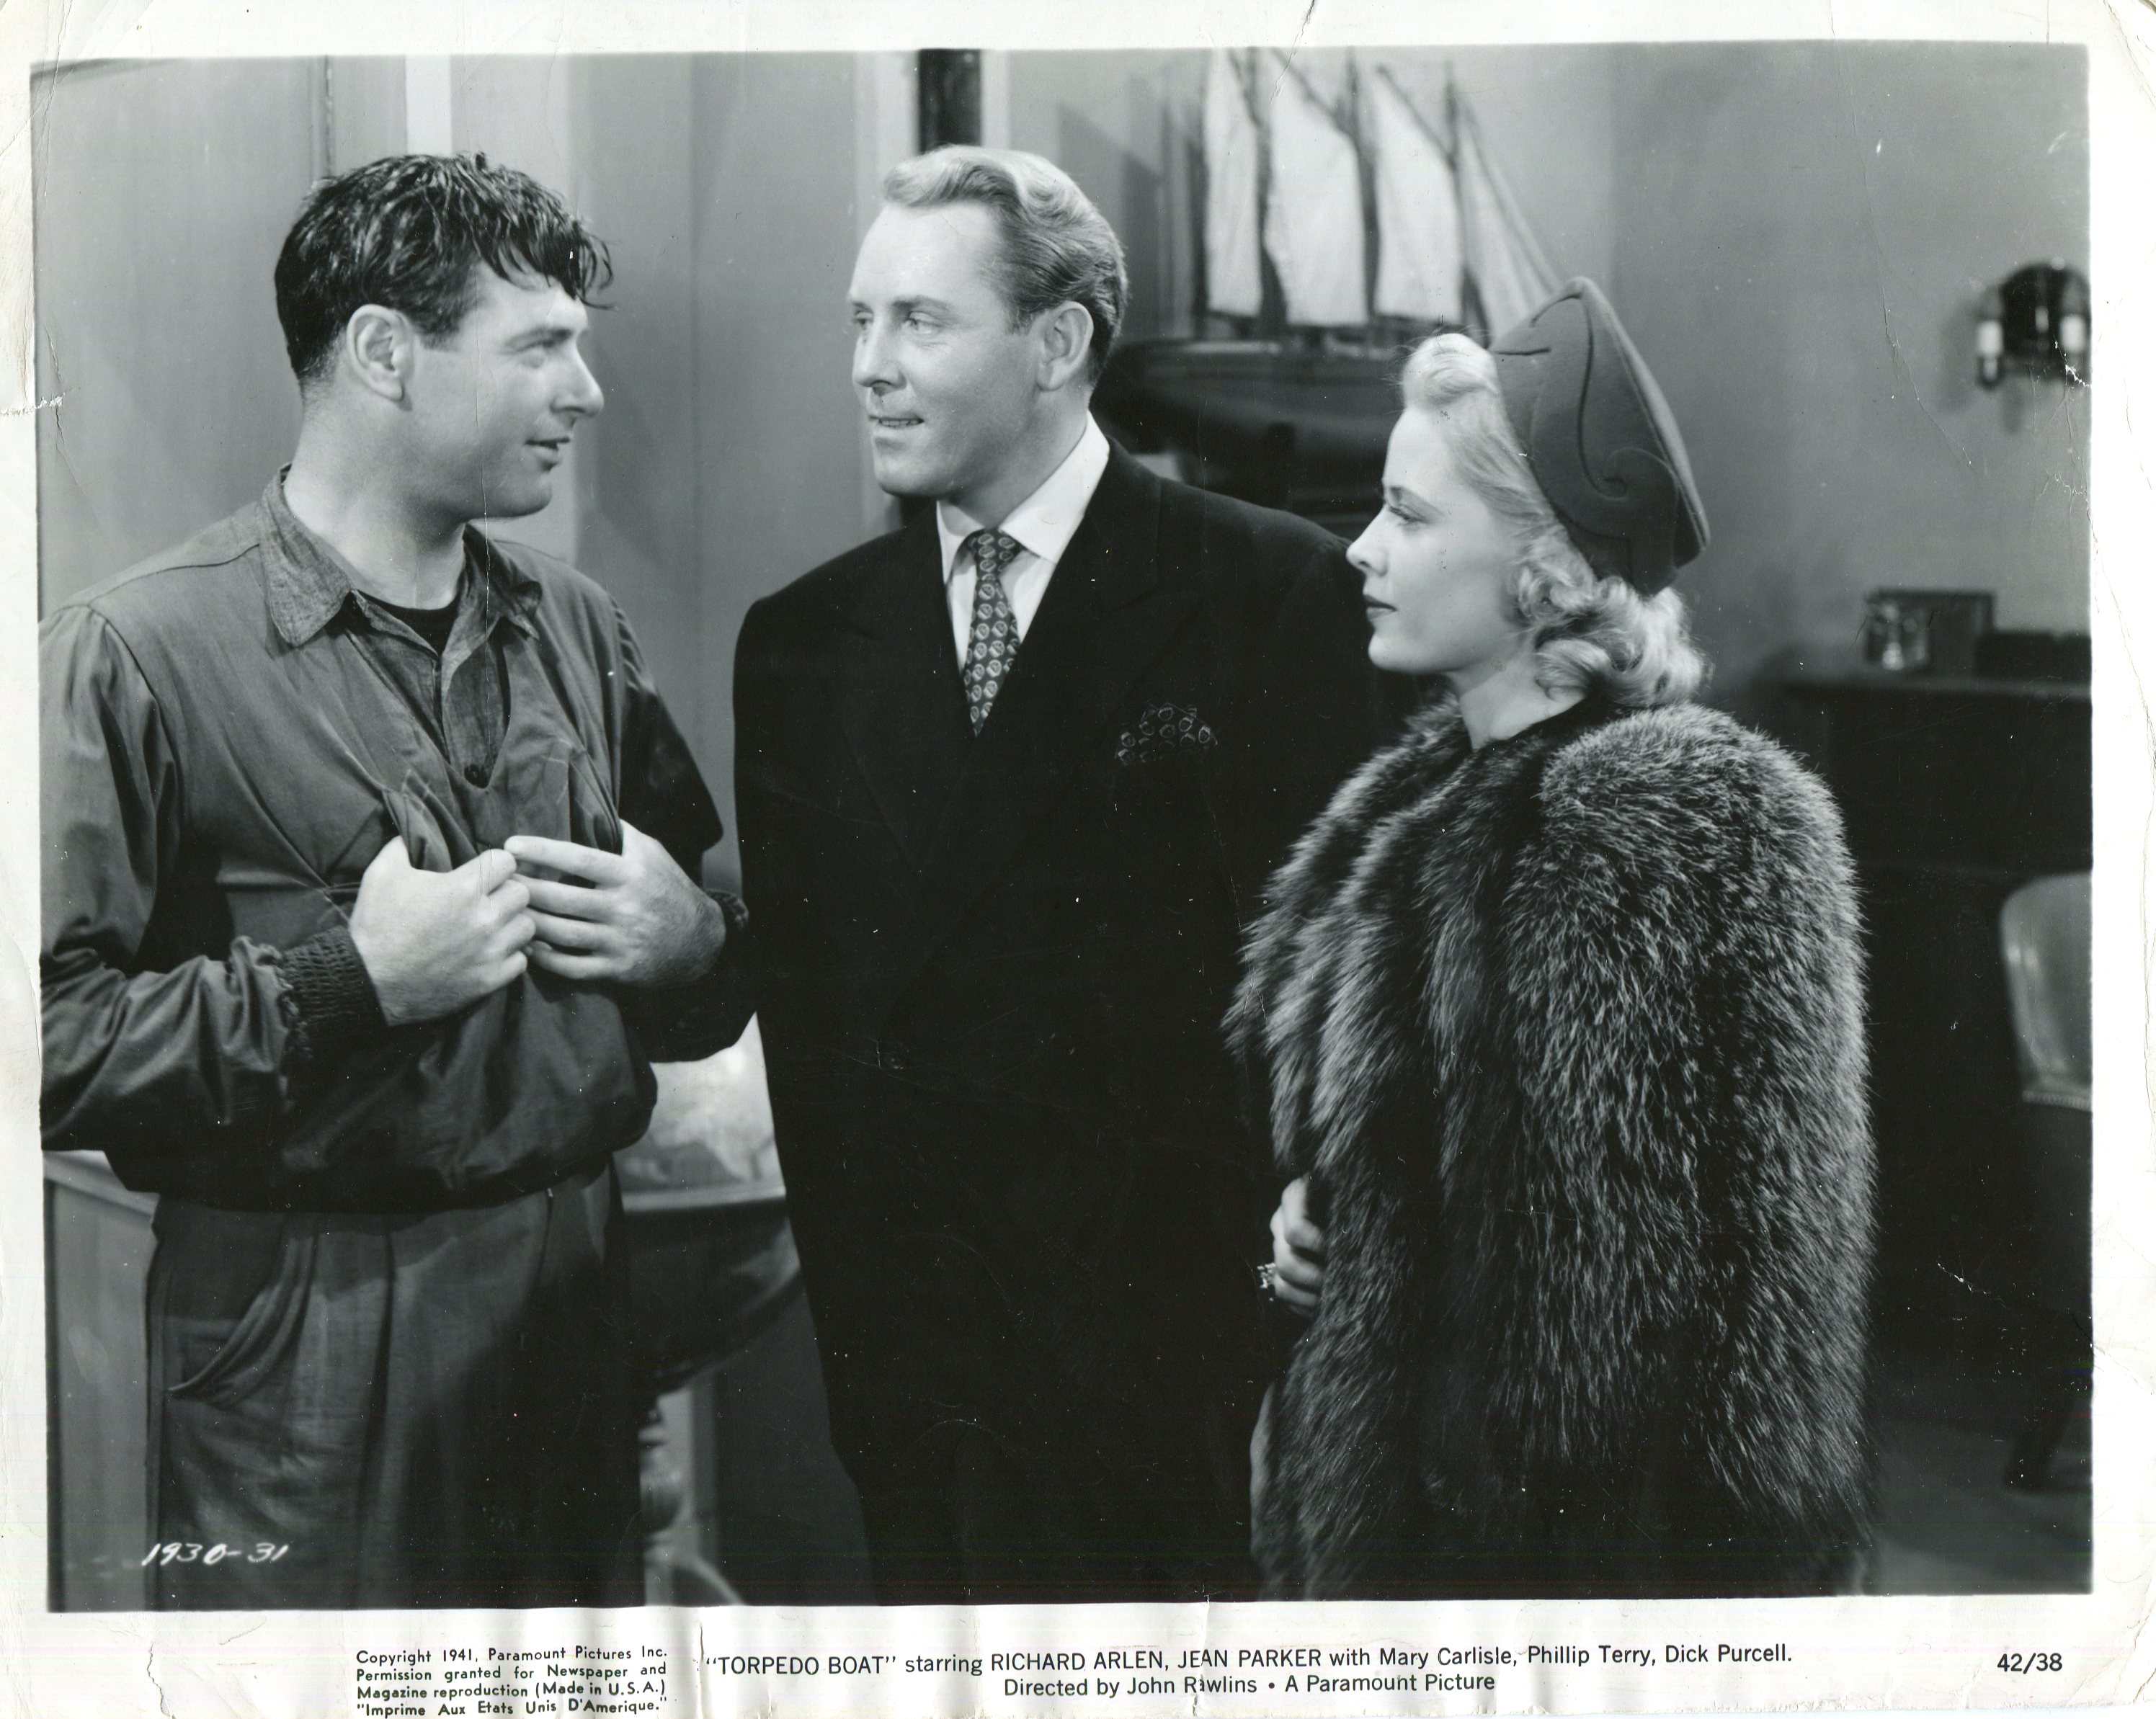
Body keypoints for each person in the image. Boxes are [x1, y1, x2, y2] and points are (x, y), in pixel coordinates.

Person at [41, 154, 749, 1609]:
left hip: (569, 1295)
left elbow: (697, 989)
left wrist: (689, 947)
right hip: (304, 1336)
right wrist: (346, 983)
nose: (586, 389)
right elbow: (43, 1052)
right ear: (381, 352)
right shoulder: (129, 653)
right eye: (540, 346)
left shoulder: (579, 626)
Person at [731, 146, 1397, 1603]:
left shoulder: (1270, 593)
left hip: (1160, 1374)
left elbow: (1327, 1004)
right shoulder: (794, 641)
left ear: (1057, 343)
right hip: (906, 1368)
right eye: (859, 321)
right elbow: (821, 1016)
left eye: (919, 321)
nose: (870, 367)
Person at [1233, 278, 1874, 1599]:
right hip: (1388, 1546)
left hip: (1596, 1578)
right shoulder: (1408, 804)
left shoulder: (1700, 825)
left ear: (1545, 568)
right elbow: (1410, 1152)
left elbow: (1767, 1287)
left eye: (1408, 515)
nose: (1360, 547)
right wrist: (1317, 1219)